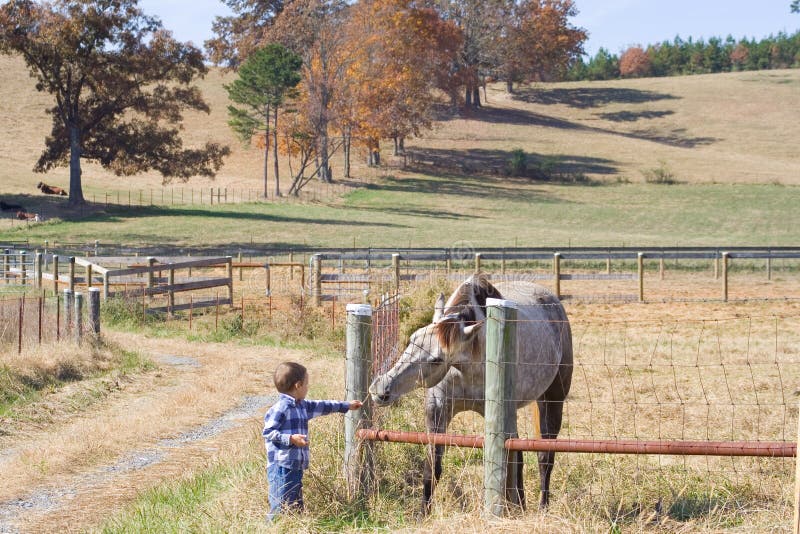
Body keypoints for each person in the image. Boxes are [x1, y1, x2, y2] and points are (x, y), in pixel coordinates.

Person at [263, 361, 362, 520]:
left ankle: (293, 527)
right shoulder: (281, 408)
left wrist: (347, 406)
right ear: (298, 385)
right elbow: (268, 432)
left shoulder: (302, 406)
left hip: (295, 466)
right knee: (279, 508)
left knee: (295, 506)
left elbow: (323, 406)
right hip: (281, 467)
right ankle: (273, 528)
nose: (308, 387)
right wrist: (290, 439)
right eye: (307, 384)